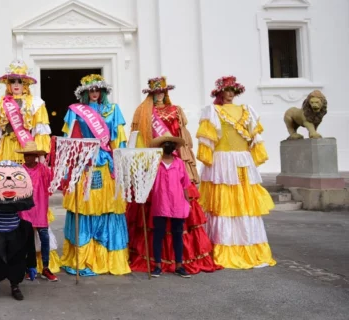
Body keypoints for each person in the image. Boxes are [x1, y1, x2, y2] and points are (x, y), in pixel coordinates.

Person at [126, 77, 219, 274]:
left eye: (162, 91)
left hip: (175, 177)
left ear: (166, 92)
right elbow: (140, 137)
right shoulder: (144, 112)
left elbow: (180, 134)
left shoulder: (175, 110)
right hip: (153, 160)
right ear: (151, 94)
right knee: (157, 227)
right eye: (155, 92)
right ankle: (157, 263)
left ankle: (179, 262)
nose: (159, 95)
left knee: (178, 228)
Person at [196, 76, 276, 269]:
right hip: (223, 162)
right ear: (220, 93)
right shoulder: (213, 111)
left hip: (242, 161)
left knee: (245, 202)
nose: (230, 94)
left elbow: (254, 138)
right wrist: (208, 161)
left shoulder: (247, 110)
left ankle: (247, 244)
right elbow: (208, 141)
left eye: (233, 90)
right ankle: (223, 246)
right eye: (227, 90)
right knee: (224, 204)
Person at [60, 74, 130, 276]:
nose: (94, 93)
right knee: (84, 207)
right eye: (90, 90)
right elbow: (69, 139)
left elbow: (118, 140)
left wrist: (120, 165)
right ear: (84, 93)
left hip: (106, 164)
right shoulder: (76, 111)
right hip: (85, 163)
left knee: (107, 207)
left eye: (97, 90)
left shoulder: (112, 110)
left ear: (102, 91)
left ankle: (107, 256)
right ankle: (83, 256)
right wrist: (70, 166)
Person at [0, 161, 36, 302]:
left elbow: (31, 247)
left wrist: (32, 265)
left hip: (15, 228)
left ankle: (15, 285)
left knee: (16, 257)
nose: (8, 184)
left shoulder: (26, 227)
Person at [0, 61, 51, 164]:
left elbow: (39, 130)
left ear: (25, 85)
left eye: (20, 81)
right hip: (6, 146)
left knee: (24, 173)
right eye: (12, 81)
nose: (16, 84)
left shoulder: (35, 103)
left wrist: (41, 155)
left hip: (26, 146)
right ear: (9, 84)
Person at [148, 134, 192, 278]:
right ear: (161, 147)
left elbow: (185, 184)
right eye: (165, 143)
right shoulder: (155, 162)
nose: (168, 145)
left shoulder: (179, 163)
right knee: (158, 235)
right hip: (160, 203)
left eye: (170, 143)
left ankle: (179, 266)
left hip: (177, 204)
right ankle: (157, 266)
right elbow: (146, 180)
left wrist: (188, 202)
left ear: (174, 147)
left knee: (178, 235)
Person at [16, 141, 60, 281]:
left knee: (44, 238)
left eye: (30, 155)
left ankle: (45, 268)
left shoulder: (44, 170)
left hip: (40, 209)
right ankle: (27, 268)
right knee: (25, 241)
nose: (27, 158)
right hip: (24, 210)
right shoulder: (20, 171)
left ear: (36, 156)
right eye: (26, 155)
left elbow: (54, 183)